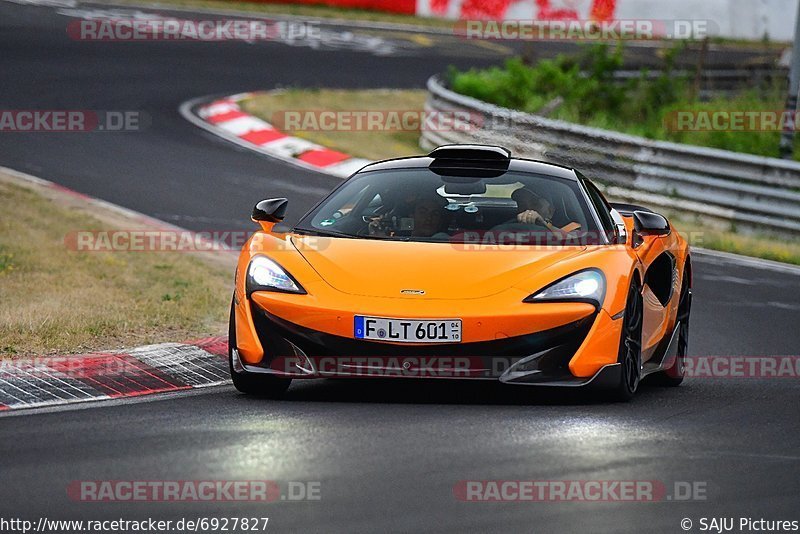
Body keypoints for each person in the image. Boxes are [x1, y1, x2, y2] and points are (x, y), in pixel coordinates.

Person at [511, 188, 581, 235]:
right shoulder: (507, 227)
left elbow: (575, 241)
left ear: (550, 211)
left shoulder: (571, 229)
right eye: (522, 204)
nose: (528, 209)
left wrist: (543, 224)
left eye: (535, 204)